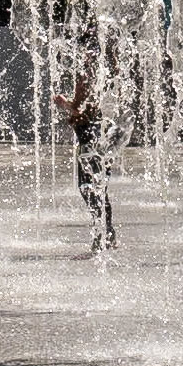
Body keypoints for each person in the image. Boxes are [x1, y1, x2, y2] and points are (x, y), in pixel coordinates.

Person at [54, 60, 119, 253]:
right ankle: (108, 235)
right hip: (100, 150)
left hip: (90, 153)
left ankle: (101, 239)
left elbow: (79, 117)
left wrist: (64, 104)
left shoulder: (87, 94)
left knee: (91, 193)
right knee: (99, 193)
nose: (78, 85)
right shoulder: (95, 96)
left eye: (81, 82)